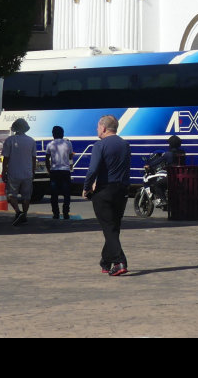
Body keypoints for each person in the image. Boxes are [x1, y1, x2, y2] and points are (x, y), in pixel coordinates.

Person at [84, 114, 132, 276]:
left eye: (98, 126)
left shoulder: (100, 145)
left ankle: (120, 262)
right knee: (113, 227)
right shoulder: (125, 145)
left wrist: (87, 187)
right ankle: (106, 262)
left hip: (105, 190)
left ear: (103, 128)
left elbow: (93, 170)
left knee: (109, 228)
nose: (97, 129)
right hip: (122, 190)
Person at [1, 118, 36, 226]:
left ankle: (18, 212)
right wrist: (33, 171)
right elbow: (33, 158)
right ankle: (24, 214)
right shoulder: (31, 140)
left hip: (13, 173)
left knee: (11, 195)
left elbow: (6, 158)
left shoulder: (10, 140)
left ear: (15, 128)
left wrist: (4, 171)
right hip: (27, 173)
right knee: (26, 196)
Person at [44, 125, 75, 220]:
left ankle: (56, 213)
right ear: (62, 134)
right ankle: (66, 213)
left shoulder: (50, 145)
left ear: (53, 134)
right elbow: (70, 157)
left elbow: (47, 159)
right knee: (66, 194)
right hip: (65, 171)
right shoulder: (68, 144)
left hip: (54, 171)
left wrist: (49, 170)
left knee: (54, 194)